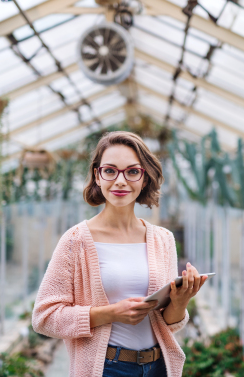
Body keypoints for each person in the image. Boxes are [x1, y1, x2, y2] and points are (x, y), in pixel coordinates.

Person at [32, 131, 208, 377]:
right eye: (110, 170)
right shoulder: (75, 240)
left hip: (159, 367)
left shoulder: (163, 239)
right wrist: (110, 313)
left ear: (144, 178)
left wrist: (180, 302)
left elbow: (169, 322)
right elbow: (44, 317)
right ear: (97, 176)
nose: (121, 181)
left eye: (132, 171)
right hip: (106, 368)